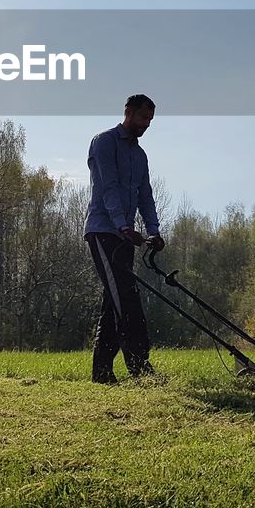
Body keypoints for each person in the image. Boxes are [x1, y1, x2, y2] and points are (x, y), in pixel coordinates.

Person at [84, 93, 165, 384]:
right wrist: (121, 225)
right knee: (126, 299)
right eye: (143, 117)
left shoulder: (140, 156)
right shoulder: (104, 142)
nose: (146, 124)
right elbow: (108, 188)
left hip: (124, 236)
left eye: (150, 120)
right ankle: (140, 368)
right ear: (128, 112)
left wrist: (153, 230)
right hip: (103, 232)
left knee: (113, 302)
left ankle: (102, 373)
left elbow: (145, 195)